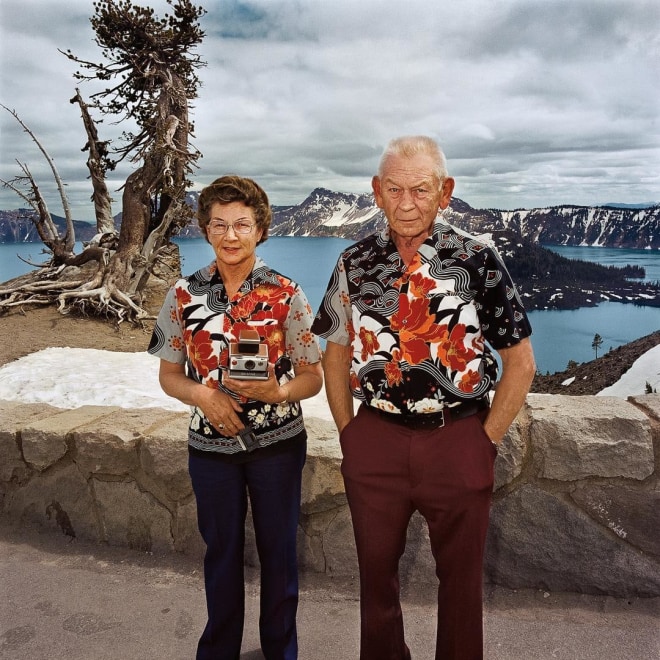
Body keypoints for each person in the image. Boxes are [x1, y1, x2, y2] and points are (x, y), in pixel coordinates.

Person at [311, 136, 535, 660]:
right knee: (375, 580)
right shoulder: (354, 262)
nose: (407, 201)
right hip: (376, 440)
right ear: (377, 192)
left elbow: (520, 364)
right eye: (394, 188)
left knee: (461, 586)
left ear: (445, 193)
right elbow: (336, 351)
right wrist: (352, 434)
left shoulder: (476, 260)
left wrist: (484, 442)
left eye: (420, 189)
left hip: (456, 440)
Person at [148, 175, 323, 660]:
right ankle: (219, 651)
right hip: (210, 450)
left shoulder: (288, 294)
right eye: (219, 224)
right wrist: (203, 397)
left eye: (241, 224)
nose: (230, 235)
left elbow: (313, 376)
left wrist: (280, 390)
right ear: (205, 229)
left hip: (278, 447)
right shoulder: (183, 295)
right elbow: (169, 375)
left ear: (260, 230)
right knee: (221, 556)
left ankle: (280, 652)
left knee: (279, 556)